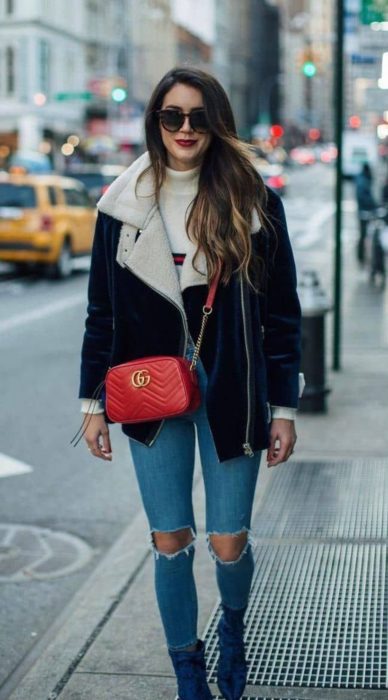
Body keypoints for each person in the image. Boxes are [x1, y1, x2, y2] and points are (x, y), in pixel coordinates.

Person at [78, 67, 302, 700]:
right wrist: (93, 402)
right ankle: (188, 673)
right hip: (149, 387)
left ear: (217, 125)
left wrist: (284, 404)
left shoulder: (253, 201)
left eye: (198, 118)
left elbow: (282, 314)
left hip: (232, 387)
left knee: (228, 542)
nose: (184, 128)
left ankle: (232, 628)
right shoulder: (120, 205)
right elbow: (103, 312)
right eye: (171, 116)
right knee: (170, 538)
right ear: (155, 123)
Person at [355, 162, 377, 265]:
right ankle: (361, 256)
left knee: (363, 235)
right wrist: (374, 206)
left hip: (363, 211)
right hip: (364, 212)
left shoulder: (361, 179)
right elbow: (365, 197)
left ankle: (361, 256)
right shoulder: (363, 181)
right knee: (363, 234)